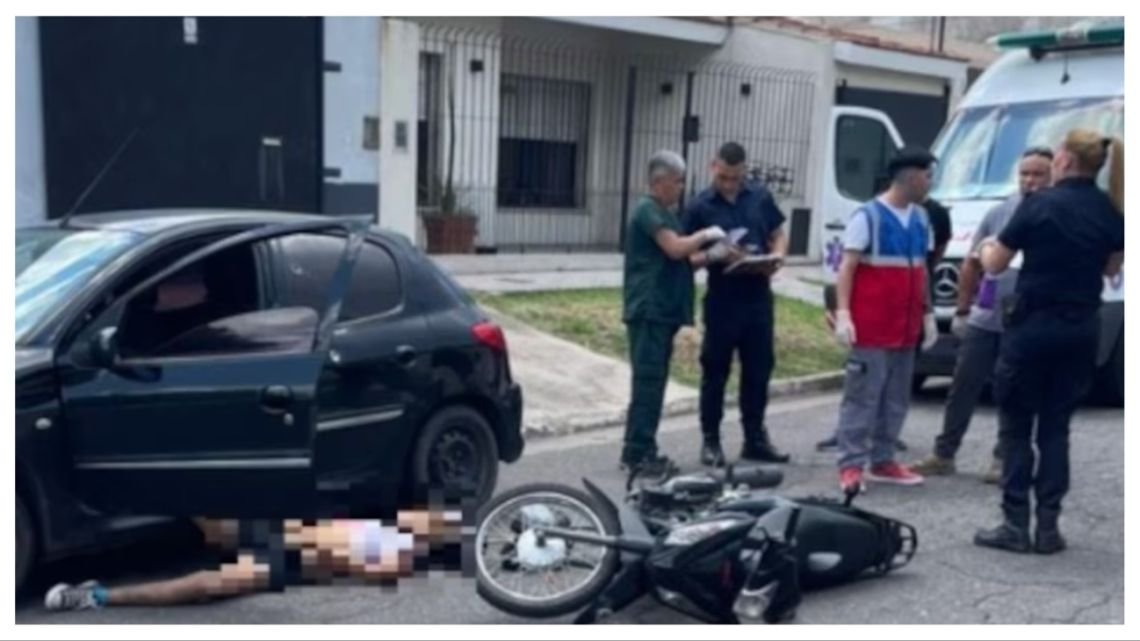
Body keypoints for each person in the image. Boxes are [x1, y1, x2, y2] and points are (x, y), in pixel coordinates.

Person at [974, 130, 1123, 555]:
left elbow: (997, 263)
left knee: (1017, 428)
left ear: (1065, 160)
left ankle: (1015, 523)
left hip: (1033, 327)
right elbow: (1112, 269)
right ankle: (1049, 528)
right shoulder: (1111, 211)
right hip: (1081, 328)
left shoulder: (1038, 205)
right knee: (1057, 430)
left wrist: (986, 246)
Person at [912, 147, 1054, 483]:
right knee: (963, 385)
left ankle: (1002, 458)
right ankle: (944, 453)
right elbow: (972, 263)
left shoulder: (1052, 214)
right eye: (1025, 173)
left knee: (1013, 391)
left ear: (1052, 177)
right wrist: (963, 309)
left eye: (1038, 174)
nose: (1030, 181)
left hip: (1026, 321)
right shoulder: (999, 212)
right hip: (986, 317)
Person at [44, 512, 463, 611]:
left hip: (292, 559)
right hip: (286, 531)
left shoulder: (422, 555)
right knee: (210, 522)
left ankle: (96, 597)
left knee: (210, 585)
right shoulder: (426, 529)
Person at [831, 146, 939, 494]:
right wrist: (843, 313)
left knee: (896, 398)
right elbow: (847, 268)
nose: (929, 183)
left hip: (905, 327)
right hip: (872, 326)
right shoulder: (868, 217)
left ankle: (883, 459)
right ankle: (850, 465)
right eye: (927, 175)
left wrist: (928, 312)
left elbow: (922, 270)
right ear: (910, 176)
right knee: (862, 398)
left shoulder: (922, 218)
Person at [684, 142, 790, 467]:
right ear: (713, 167)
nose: (730, 183)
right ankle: (711, 440)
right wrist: (711, 255)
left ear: (745, 170)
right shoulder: (699, 205)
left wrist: (778, 257)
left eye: (736, 177)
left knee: (759, 370)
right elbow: (685, 257)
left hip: (758, 295)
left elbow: (778, 232)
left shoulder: (759, 195)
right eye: (724, 177)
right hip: (723, 297)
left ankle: (755, 438)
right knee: (715, 370)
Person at [620, 150, 727, 474]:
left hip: (663, 312)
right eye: (678, 181)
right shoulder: (647, 211)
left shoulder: (666, 214)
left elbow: (681, 260)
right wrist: (707, 234)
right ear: (660, 181)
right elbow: (675, 247)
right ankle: (637, 452)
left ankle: (644, 446)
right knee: (648, 383)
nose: (681, 187)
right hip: (650, 310)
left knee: (655, 382)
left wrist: (713, 256)